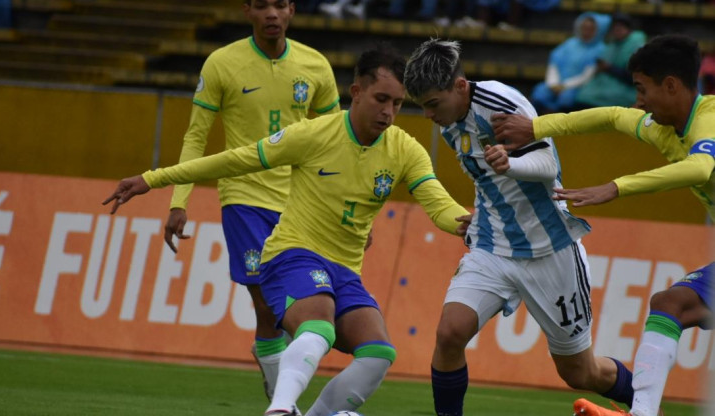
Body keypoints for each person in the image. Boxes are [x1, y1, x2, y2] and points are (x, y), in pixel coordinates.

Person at [103, 45, 472, 416]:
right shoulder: (314, 134)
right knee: (318, 329)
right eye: (381, 99)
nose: (389, 113)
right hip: (292, 254)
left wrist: (470, 225)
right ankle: (279, 409)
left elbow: (438, 205)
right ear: (356, 92)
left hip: (344, 270)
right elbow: (236, 159)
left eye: (397, 103)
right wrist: (153, 179)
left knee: (378, 353)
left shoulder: (405, 149)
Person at [403, 38, 634, 416]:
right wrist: (486, 210)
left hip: (549, 250)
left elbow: (547, 165)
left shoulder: (500, 105)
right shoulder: (448, 119)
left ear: (460, 87)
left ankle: (644, 401)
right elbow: (486, 179)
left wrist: (512, 165)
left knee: (580, 372)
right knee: (449, 334)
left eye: (432, 104)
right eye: (423, 106)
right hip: (494, 247)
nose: (428, 115)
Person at [492, 34, 714, 416]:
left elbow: (701, 167)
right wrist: (536, 128)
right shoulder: (662, 126)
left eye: (643, 90)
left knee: (672, 303)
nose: (638, 101)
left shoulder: (708, 120)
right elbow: (610, 116)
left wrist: (615, 188)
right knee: (671, 305)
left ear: (672, 86)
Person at [165, 0, 340, 402]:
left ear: (292, 10)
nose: (272, 14)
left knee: (290, 308)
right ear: (247, 11)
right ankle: (285, 400)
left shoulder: (315, 66)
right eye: (262, 5)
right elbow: (196, 136)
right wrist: (180, 200)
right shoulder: (222, 64)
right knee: (266, 301)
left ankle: (275, 374)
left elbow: (336, 141)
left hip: (301, 201)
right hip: (244, 197)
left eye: (279, 4)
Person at [530, 12, 610, 114]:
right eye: (584, 28)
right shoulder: (570, 43)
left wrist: (565, 86)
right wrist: (553, 83)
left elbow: (587, 75)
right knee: (541, 93)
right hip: (556, 84)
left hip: (578, 88)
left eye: (591, 29)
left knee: (566, 100)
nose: (586, 32)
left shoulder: (600, 49)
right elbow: (554, 63)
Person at [576, 13, 646, 109]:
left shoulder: (635, 44)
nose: (617, 30)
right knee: (583, 96)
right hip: (604, 85)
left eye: (621, 27)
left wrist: (609, 68)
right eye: (615, 27)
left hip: (625, 88)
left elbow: (634, 77)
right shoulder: (612, 44)